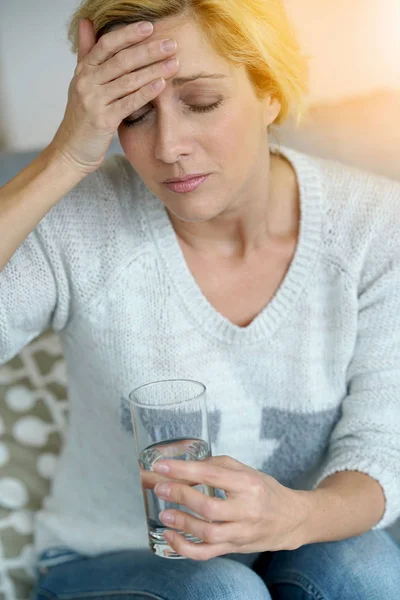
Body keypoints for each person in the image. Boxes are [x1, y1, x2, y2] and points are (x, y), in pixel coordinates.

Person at [1, 0, 400, 598]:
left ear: (269, 92)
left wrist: (293, 516)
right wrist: (64, 159)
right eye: (134, 113)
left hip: (301, 541)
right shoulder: (79, 224)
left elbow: (382, 449)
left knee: (362, 565)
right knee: (221, 590)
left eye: (202, 102)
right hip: (111, 556)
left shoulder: (373, 226)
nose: (168, 146)